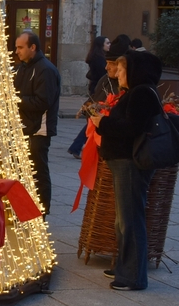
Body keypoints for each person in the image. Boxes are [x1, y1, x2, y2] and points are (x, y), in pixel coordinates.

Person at [90, 52, 163, 291]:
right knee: (123, 220)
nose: (118, 73)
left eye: (122, 69)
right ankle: (124, 266)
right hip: (123, 161)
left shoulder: (142, 93)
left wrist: (104, 123)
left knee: (130, 219)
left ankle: (133, 276)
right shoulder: (136, 92)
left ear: (134, 70)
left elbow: (132, 128)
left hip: (131, 163)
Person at [13, 31, 60, 217]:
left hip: (38, 129)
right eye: (16, 47)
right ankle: (25, 209)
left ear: (33, 47)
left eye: (20, 47)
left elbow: (43, 102)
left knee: (38, 171)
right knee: (23, 171)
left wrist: (17, 100)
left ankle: (42, 209)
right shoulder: (22, 67)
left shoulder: (45, 70)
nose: (17, 51)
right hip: (23, 127)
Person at [67, 35, 110, 158]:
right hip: (99, 92)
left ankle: (77, 146)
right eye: (107, 43)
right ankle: (77, 146)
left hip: (97, 91)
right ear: (101, 45)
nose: (109, 45)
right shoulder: (99, 60)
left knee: (93, 120)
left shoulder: (98, 58)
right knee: (93, 120)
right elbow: (103, 76)